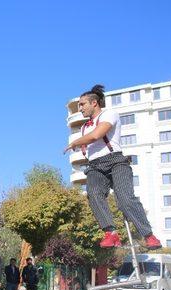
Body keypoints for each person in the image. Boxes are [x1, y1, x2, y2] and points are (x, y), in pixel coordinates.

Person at [64, 84, 161, 250]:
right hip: (95, 166)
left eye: (82, 104)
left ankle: (149, 235)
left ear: (94, 103)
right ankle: (111, 233)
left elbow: (97, 135)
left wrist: (75, 142)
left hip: (116, 161)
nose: (80, 108)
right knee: (93, 194)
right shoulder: (84, 126)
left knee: (125, 200)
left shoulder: (109, 114)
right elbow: (90, 141)